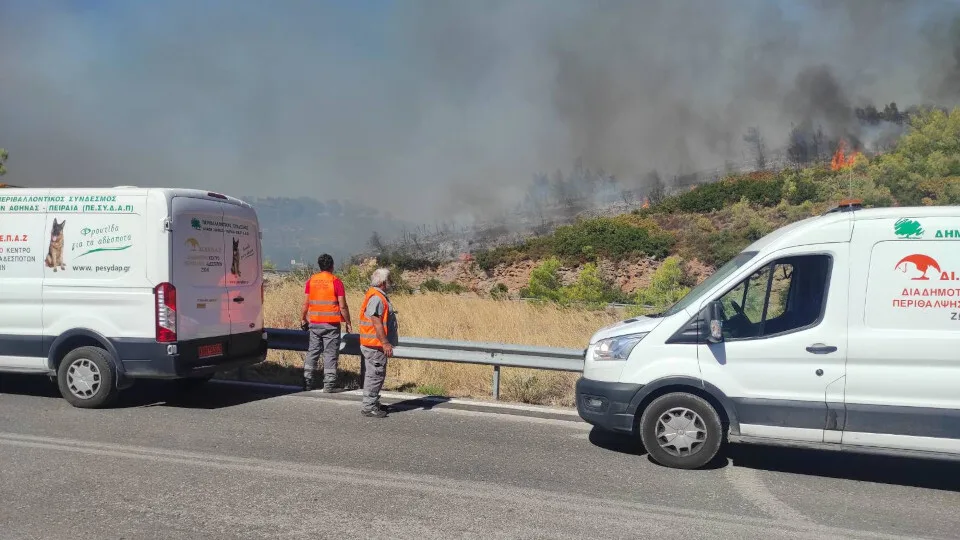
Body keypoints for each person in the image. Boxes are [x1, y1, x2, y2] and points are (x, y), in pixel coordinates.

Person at [300, 254, 353, 391]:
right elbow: (343, 306)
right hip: (331, 324)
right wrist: (348, 322)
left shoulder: (311, 281)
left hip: (315, 322)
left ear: (319, 265)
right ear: (332, 266)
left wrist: (303, 318)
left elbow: (306, 303)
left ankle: (307, 381)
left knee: (313, 351)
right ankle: (329, 385)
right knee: (330, 353)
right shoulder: (336, 281)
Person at [357, 267, 399, 418]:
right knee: (375, 375)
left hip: (373, 343)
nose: (391, 283)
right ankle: (369, 406)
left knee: (374, 375)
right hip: (375, 344)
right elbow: (377, 323)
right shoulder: (377, 298)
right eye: (389, 280)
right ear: (382, 282)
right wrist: (385, 343)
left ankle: (372, 402)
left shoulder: (377, 295)